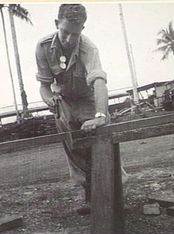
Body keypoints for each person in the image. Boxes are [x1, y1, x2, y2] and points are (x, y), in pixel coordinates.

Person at [35, 4, 127, 209]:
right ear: (56, 23)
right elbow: (44, 86)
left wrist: (100, 115)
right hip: (64, 102)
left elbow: (99, 83)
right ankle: (92, 198)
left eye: (74, 34)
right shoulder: (42, 47)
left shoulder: (89, 48)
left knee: (101, 145)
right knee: (75, 151)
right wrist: (49, 99)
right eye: (65, 32)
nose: (69, 39)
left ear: (82, 30)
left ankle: (116, 198)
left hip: (88, 99)